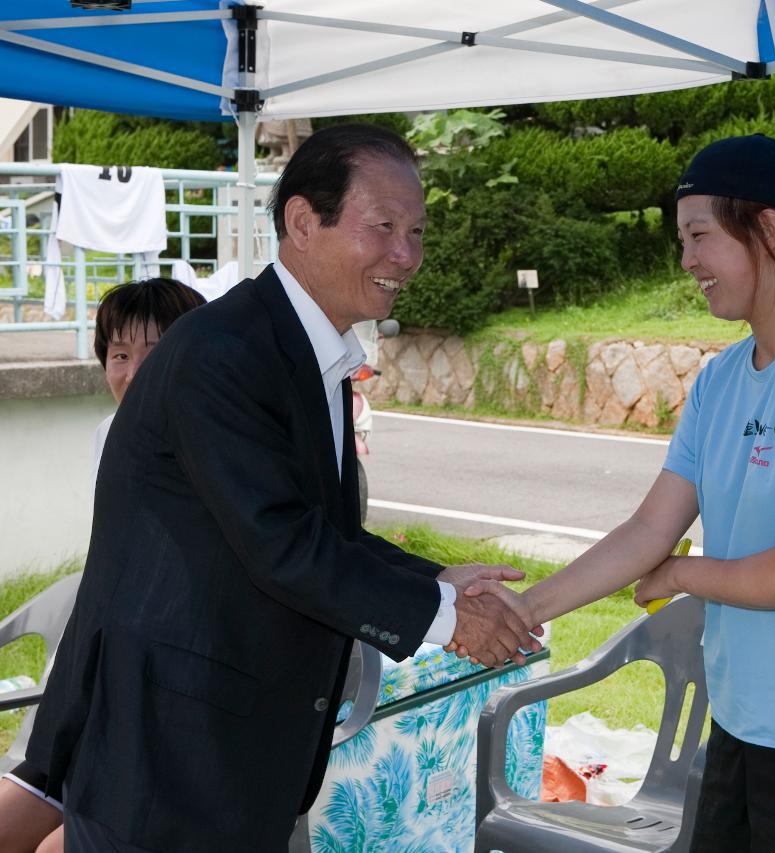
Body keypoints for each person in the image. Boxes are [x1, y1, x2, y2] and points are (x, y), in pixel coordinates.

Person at [22, 124, 540, 852]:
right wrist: (447, 617)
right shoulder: (223, 353)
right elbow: (282, 543)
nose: (406, 255)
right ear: (303, 222)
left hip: (231, 756)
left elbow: (318, 530)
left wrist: (438, 580)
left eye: (417, 231)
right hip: (166, 762)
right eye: (383, 227)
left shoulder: (305, 349)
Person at [462, 134, 775, 852]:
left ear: (767, 230)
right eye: (684, 240)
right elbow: (650, 526)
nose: (686, 261)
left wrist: (680, 573)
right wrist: (528, 608)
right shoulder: (722, 379)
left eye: (699, 236)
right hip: (743, 727)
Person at [0, 277, 204, 853]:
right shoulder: (108, 435)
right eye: (120, 354)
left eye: (157, 352)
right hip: (97, 691)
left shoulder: (223, 451)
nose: (134, 372)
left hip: (171, 713)